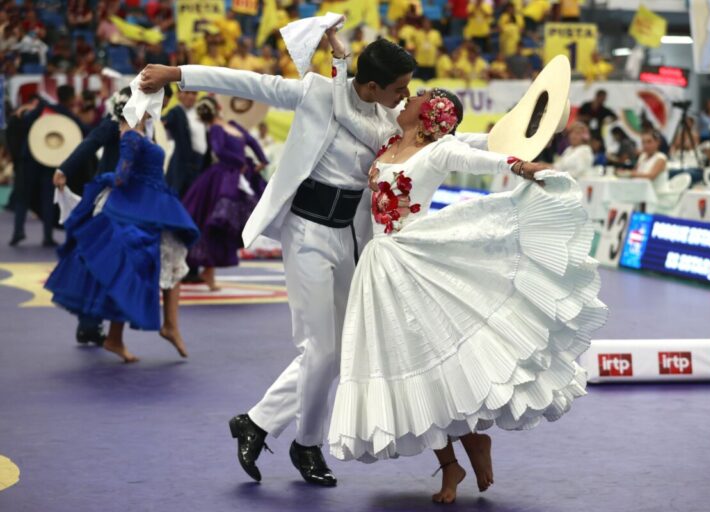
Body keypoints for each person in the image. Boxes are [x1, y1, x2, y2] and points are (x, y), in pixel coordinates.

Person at [138, 32, 488, 487]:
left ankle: (257, 422)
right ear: (372, 83)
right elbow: (247, 83)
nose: (406, 93)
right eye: (400, 85)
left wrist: (509, 140)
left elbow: (444, 144)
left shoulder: (389, 118)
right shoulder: (318, 91)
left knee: (341, 351)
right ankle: (306, 444)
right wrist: (177, 74)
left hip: (351, 237)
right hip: (306, 232)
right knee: (319, 349)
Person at [327, 42, 606, 504]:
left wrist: (519, 165)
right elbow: (345, 104)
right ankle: (450, 463)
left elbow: (481, 157)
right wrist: (341, 61)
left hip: (419, 262)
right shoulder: (387, 143)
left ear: (427, 114)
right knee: (403, 363)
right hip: (380, 269)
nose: (405, 97)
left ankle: (474, 438)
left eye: (413, 96)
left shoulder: (437, 152)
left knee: (440, 357)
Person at [45, 107, 199, 363]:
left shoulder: (144, 131)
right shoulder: (128, 134)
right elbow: (119, 175)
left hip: (151, 207)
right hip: (135, 207)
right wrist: (85, 175)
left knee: (163, 262)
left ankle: (161, 328)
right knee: (133, 267)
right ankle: (122, 334)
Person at [50, 87, 130, 346]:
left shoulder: (143, 126)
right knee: (98, 259)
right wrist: (64, 169)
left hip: (127, 200)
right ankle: (89, 322)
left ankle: (91, 323)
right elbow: (90, 143)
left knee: (106, 260)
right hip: (108, 199)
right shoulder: (114, 124)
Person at [182, 96, 268, 292]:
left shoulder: (230, 125)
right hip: (222, 179)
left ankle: (209, 272)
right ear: (218, 108)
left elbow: (251, 141)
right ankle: (208, 272)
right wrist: (242, 163)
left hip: (234, 177)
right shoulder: (218, 128)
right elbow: (220, 151)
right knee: (215, 224)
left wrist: (261, 160)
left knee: (223, 225)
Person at [11, 85, 86, 247]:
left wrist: (35, 109)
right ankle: (47, 236)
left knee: (24, 196)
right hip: (49, 160)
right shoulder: (65, 113)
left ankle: (18, 231)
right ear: (71, 98)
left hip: (32, 158)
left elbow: (24, 124)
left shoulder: (44, 108)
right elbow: (84, 129)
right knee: (47, 197)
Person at [163, 89, 206, 198]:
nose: (191, 96)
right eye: (187, 93)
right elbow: (165, 122)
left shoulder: (200, 113)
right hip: (181, 164)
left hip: (199, 164)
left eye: (194, 93)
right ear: (179, 95)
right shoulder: (175, 112)